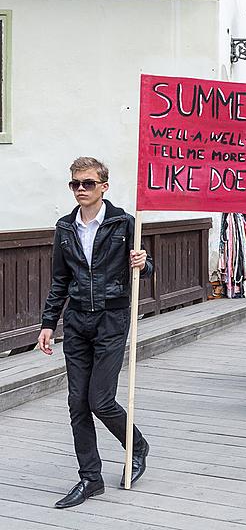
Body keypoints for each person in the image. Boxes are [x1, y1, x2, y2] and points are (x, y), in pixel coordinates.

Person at [37, 157, 154, 508]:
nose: (81, 189)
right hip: (76, 323)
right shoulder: (65, 227)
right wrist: (47, 324)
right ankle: (90, 478)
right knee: (77, 402)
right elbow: (60, 280)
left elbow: (146, 268)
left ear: (104, 186)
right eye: (75, 184)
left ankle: (136, 446)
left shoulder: (123, 223)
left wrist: (142, 263)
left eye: (88, 183)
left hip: (112, 319)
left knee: (99, 400)